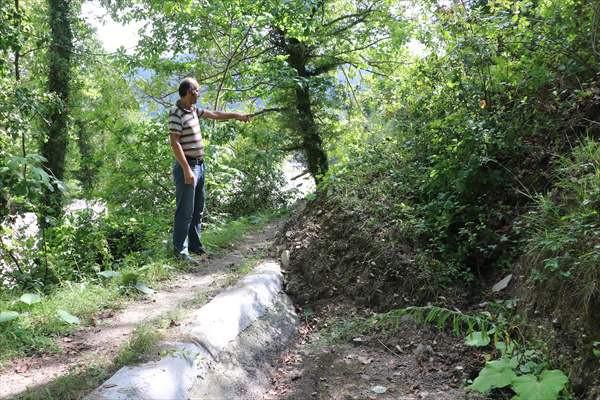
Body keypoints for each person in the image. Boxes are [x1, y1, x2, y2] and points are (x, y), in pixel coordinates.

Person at [168, 77, 250, 262]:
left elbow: (215, 115)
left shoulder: (193, 110)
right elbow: (175, 142)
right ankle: (180, 254)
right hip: (187, 167)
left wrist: (237, 115)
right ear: (190, 91)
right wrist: (186, 169)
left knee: (198, 209)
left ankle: (196, 247)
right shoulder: (176, 112)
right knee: (184, 211)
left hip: (200, 165)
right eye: (198, 90)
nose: (199, 93)